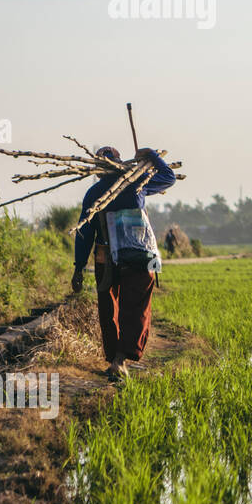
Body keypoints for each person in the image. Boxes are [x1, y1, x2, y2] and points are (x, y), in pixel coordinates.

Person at [71, 146, 177, 378]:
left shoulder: (95, 192)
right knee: (136, 308)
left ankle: (115, 359)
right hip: (138, 256)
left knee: (110, 309)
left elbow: (85, 232)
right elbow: (169, 177)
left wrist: (78, 268)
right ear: (120, 163)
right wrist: (151, 156)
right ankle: (119, 360)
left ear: (98, 170)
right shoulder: (136, 182)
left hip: (106, 258)